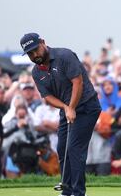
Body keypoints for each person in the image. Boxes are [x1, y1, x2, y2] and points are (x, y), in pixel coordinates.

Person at [22, 33, 101, 196]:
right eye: (30, 53)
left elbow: (77, 82)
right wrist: (66, 108)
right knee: (62, 147)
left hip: (87, 106)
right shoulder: (36, 72)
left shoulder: (64, 55)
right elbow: (48, 97)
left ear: (43, 43)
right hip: (67, 109)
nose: (34, 55)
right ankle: (67, 189)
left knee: (74, 148)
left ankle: (79, 192)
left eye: (35, 50)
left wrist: (71, 107)